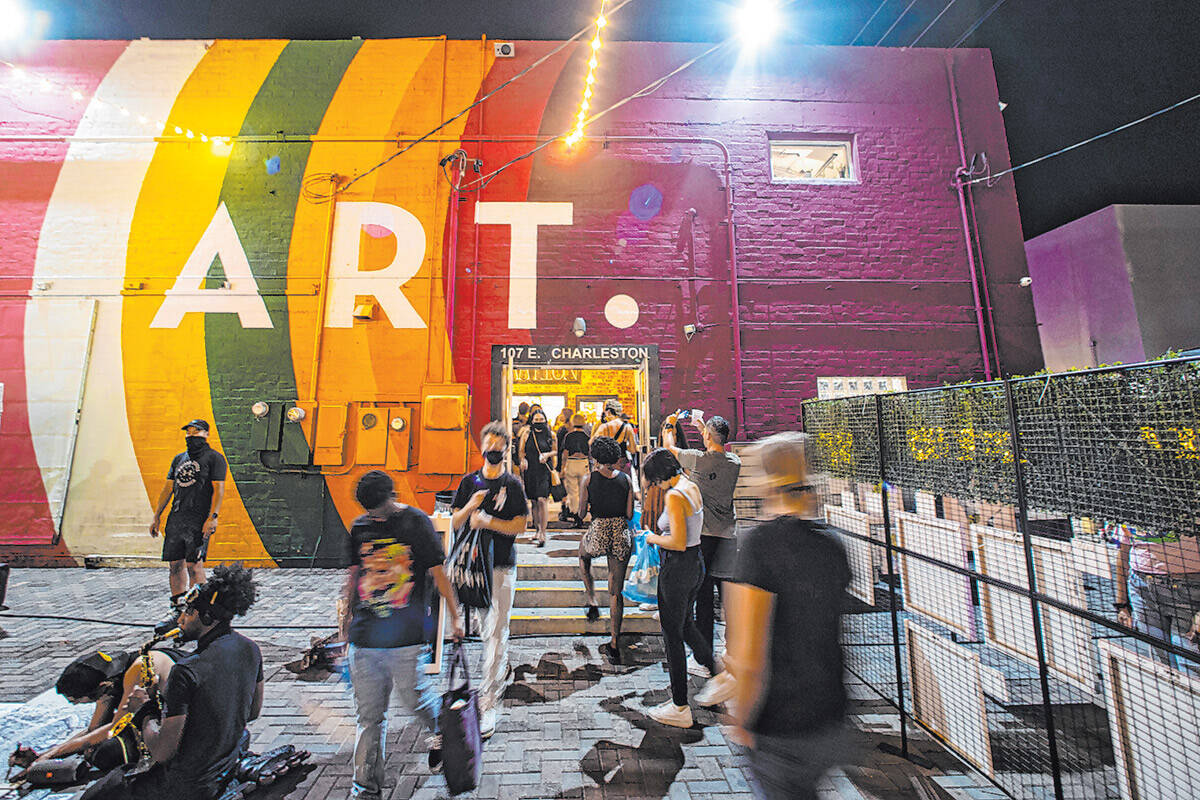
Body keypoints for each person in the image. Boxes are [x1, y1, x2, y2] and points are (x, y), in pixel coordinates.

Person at [724, 432, 852, 800]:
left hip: (781, 718)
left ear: (765, 479)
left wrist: (742, 718)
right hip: (829, 709)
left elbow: (749, 656)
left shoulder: (758, 546)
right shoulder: (831, 543)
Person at [82, 564, 263, 800]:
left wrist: (144, 711)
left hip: (189, 786)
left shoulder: (186, 670)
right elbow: (252, 712)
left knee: (94, 795)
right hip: (227, 765)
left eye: (188, 612)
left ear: (207, 617)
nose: (180, 619)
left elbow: (162, 752)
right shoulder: (251, 648)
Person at [341, 471, 465, 796]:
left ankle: (440, 728)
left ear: (390, 498)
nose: (375, 516)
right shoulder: (360, 527)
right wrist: (344, 625)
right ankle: (365, 788)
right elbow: (355, 574)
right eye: (370, 510)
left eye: (379, 508)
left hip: (406, 638)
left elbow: (439, 574)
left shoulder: (416, 523)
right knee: (369, 718)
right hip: (364, 638)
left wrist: (455, 618)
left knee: (415, 699)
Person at [640, 448, 736, 727]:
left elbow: (678, 541)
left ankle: (680, 706)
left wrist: (651, 538)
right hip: (695, 564)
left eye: (655, 480)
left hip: (679, 568)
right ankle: (719, 674)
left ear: (660, 475)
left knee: (672, 636)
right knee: (686, 626)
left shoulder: (675, 495)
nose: (655, 486)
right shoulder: (690, 485)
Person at [451, 421, 529, 739]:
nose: (493, 451)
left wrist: (490, 522)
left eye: (499, 447)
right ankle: (499, 669)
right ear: (482, 447)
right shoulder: (469, 482)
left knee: (496, 635)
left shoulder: (513, 485)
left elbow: (520, 526)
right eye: (489, 445)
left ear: (506, 450)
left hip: (501, 567)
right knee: (489, 633)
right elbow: (455, 521)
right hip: (472, 570)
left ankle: (489, 702)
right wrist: (472, 506)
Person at [661, 411, 741, 672]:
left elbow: (669, 448)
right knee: (728, 597)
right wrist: (701, 427)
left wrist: (671, 423)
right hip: (728, 537)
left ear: (706, 436)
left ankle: (704, 659)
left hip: (704, 537)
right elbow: (715, 450)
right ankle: (731, 652)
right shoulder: (735, 462)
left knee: (703, 599)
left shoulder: (696, 460)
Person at [17, 643, 184, 769]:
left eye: (76, 700)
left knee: (107, 752)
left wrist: (54, 754)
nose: (75, 705)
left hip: (190, 716)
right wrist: (46, 755)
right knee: (97, 744)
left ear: (103, 687)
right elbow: (95, 728)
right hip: (161, 710)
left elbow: (114, 728)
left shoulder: (138, 669)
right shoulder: (108, 677)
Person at [148, 419, 226, 633]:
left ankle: (199, 610)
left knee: (194, 565)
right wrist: (157, 515)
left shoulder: (215, 458)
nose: (192, 435)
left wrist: (213, 517)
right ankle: (177, 608)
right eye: (189, 431)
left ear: (206, 434)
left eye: (197, 431)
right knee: (175, 564)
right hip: (177, 518)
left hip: (198, 519)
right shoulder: (178, 459)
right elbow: (168, 488)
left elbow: (218, 490)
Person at [1111, 521, 1200, 673]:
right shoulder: (1130, 507)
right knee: (1162, 665)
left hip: (1187, 590)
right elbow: (1123, 554)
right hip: (1142, 589)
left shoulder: (1188, 509)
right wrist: (1122, 604)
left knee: (1191, 664)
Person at [578, 436, 634, 664]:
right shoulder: (626, 480)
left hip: (599, 529)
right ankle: (614, 643)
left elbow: (581, 513)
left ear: (595, 457)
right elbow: (630, 514)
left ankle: (591, 599)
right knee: (615, 591)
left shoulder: (588, 479)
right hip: (620, 530)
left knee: (583, 556)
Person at [518, 408, 556, 547]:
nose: (539, 422)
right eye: (536, 420)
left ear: (545, 420)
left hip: (544, 470)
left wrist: (547, 455)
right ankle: (537, 529)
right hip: (531, 470)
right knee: (533, 501)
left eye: (541, 420)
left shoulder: (550, 434)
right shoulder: (527, 433)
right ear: (532, 421)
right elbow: (521, 451)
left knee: (542, 500)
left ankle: (543, 533)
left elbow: (555, 450)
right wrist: (523, 460)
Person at [590, 399, 639, 484]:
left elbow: (591, 443)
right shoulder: (627, 427)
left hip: (606, 465)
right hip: (622, 464)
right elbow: (632, 449)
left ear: (608, 411)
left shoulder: (604, 427)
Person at [560, 413, 592, 527]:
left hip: (572, 462)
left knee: (572, 492)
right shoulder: (587, 436)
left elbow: (565, 453)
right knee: (583, 491)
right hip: (583, 462)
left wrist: (562, 467)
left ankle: (575, 516)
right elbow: (590, 453)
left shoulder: (569, 436)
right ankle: (582, 514)